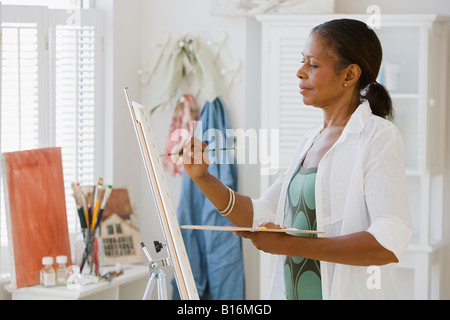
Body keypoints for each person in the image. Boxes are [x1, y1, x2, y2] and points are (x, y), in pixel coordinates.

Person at [178, 19, 412, 300]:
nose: (300, 72)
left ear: (349, 74)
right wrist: (203, 178)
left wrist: (290, 245)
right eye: (303, 62)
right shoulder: (310, 140)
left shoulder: (377, 136)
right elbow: (260, 214)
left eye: (313, 65)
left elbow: (388, 242)